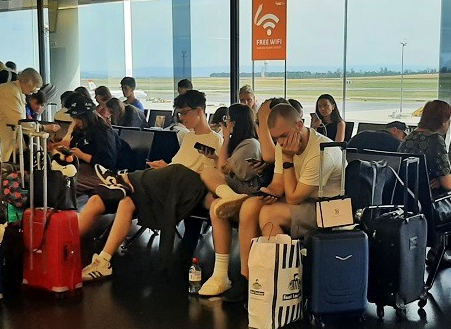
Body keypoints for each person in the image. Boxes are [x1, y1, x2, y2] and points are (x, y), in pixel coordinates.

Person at [200, 103, 342, 299]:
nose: (281, 143)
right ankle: (247, 278)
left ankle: (277, 280)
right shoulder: (283, 146)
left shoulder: (321, 151)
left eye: (284, 136)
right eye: (277, 138)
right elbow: (278, 185)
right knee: (251, 205)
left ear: (299, 125)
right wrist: (264, 193)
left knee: (269, 213)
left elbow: (293, 197)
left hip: (328, 209)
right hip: (302, 201)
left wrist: (288, 160)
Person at [80, 89, 222, 281]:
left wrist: (172, 169)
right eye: (179, 113)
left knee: (172, 173)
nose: (181, 118)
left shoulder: (215, 140)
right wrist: (166, 166)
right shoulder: (188, 138)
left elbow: (206, 174)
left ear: (199, 111)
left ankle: (123, 180)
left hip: (185, 189)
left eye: (184, 113)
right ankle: (103, 261)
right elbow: (177, 165)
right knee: (126, 203)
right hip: (166, 185)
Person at [59, 92, 121, 195]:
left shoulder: (103, 131)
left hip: (104, 173)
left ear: (87, 116)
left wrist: (82, 155)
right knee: (57, 174)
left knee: (66, 182)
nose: (76, 121)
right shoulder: (79, 130)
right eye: (74, 118)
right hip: (84, 168)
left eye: (79, 118)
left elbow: (108, 163)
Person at [398, 100, 451, 196]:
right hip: (428, 200)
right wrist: (442, 181)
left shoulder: (408, 138)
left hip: (406, 198)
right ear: (443, 122)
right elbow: (449, 184)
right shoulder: (435, 140)